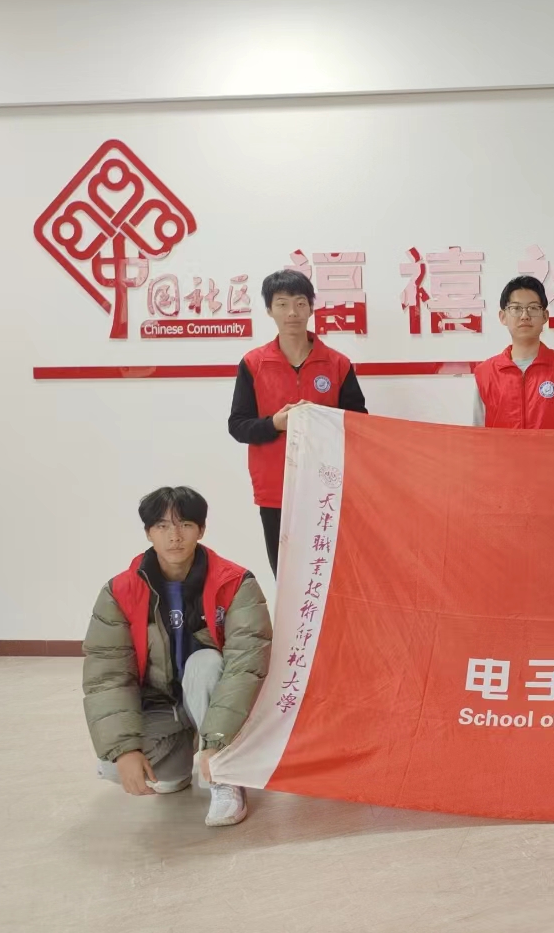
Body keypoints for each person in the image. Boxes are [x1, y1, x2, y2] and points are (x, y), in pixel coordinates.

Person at [83, 487, 272, 827]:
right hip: (162, 704)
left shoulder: (235, 583)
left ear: (201, 530)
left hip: (215, 697)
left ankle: (225, 776)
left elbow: (246, 666)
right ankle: (179, 762)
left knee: (205, 663)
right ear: (148, 532)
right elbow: (108, 676)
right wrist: (125, 749)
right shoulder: (119, 592)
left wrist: (217, 740)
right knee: (113, 765)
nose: (174, 536)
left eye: (185, 524)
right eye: (162, 526)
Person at [228, 269, 368, 575]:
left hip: (327, 489)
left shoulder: (338, 364)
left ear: (311, 308)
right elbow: (237, 425)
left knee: (329, 576)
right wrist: (275, 424)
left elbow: (359, 423)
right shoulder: (253, 363)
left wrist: (321, 419)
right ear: (269, 310)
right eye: (282, 304)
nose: (292, 312)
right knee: (286, 577)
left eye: (300, 303)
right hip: (275, 489)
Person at [473, 275, 554, 428]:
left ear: (545, 316)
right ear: (503, 317)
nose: (525, 316)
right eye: (516, 308)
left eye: (533, 308)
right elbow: (478, 437)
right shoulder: (486, 373)